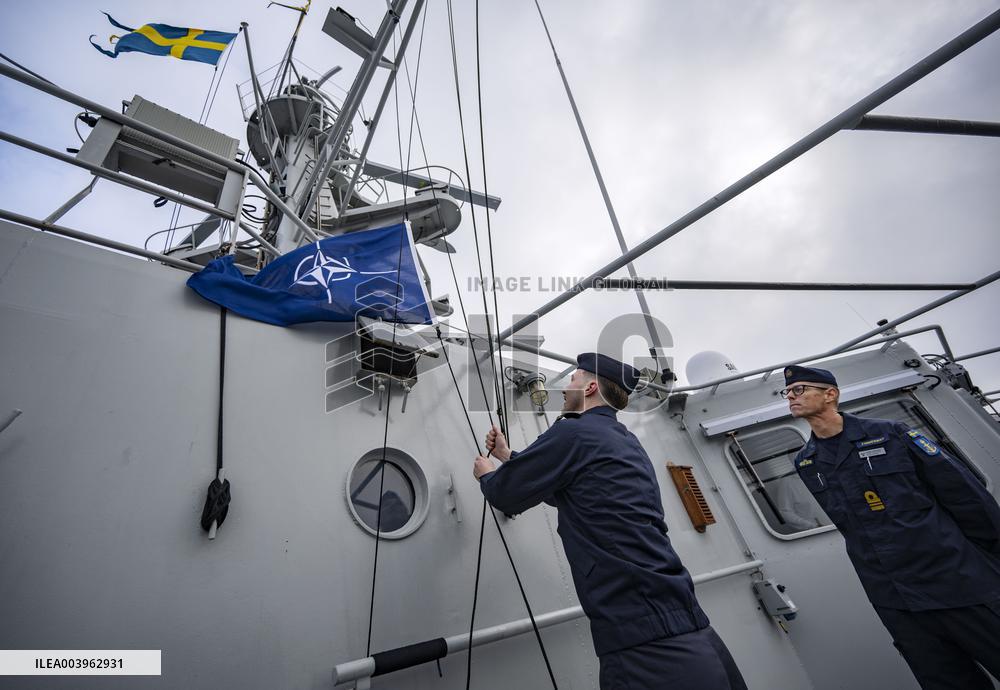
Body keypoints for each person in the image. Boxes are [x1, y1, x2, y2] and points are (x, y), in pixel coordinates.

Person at [473, 353, 747, 690]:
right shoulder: (624, 440)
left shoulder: (571, 433)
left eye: (572, 380)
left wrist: (488, 475)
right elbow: (577, 493)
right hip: (693, 631)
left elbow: (506, 494)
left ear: (589, 387)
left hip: (646, 644)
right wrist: (508, 457)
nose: (564, 389)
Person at [784, 364, 1000, 689]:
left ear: (830, 394)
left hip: (957, 581)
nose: (790, 396)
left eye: (798, 389)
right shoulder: (807, 461)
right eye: (786, 392)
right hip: (895, 599)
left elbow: (967, 498)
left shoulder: (891, 433)